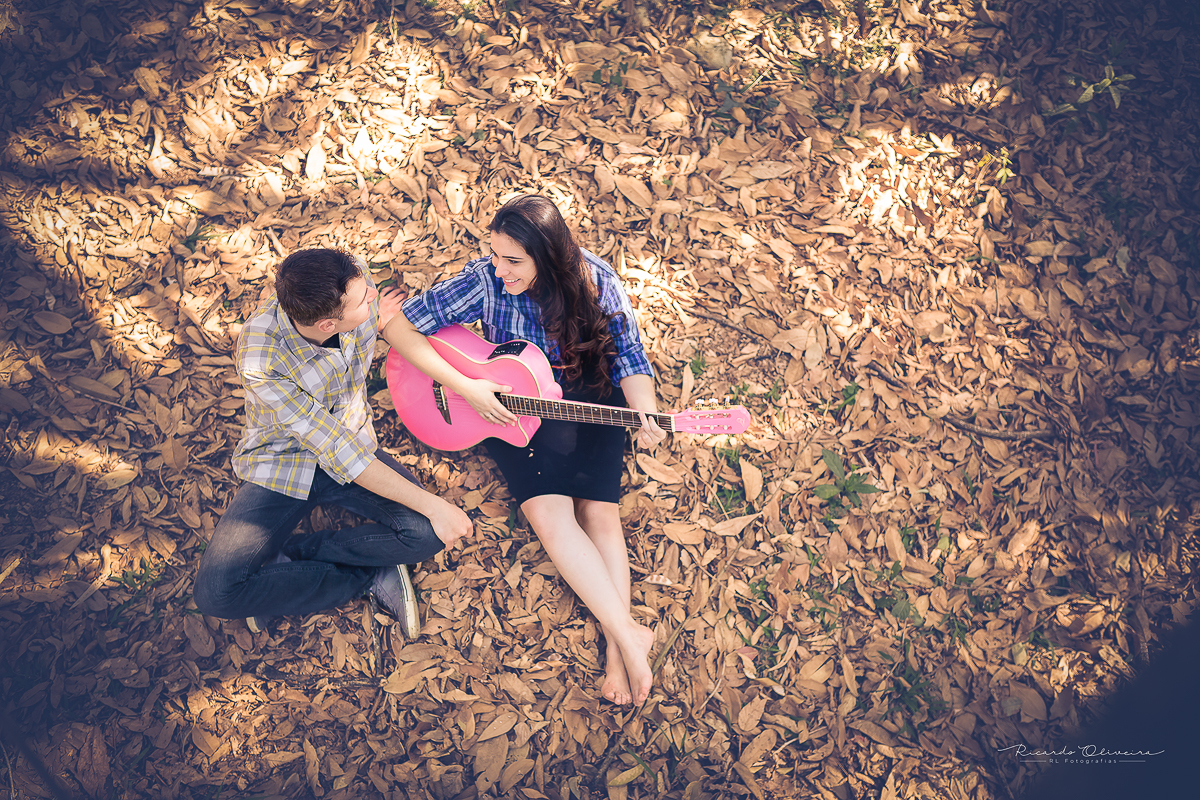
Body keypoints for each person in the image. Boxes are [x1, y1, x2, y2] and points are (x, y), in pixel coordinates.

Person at [384, 194, 666, 705]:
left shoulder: (597, 281)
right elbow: (398, 327)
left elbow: (629, 357)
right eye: (495, 255)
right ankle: (628, 636)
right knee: (551, 517)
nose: (499, 269)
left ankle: (617, 649)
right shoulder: (487, 280)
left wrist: (644, 409)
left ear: (549, 256)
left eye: (513, 260)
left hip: (588, 396)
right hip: (512, 401)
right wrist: (468, 388)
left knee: (600, 514)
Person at [194, 249, 471, 637]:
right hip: (283, 462)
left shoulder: (350, 284)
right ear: (327, 324)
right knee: (217, 593)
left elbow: (347, 448)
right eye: (363, 302)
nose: (372, 295)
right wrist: (437, 504)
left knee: (426, 534)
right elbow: (341, 454)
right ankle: (366, 576)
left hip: (353, 440)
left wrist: (381, 320)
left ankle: (289, 566)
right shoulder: (262, 357)